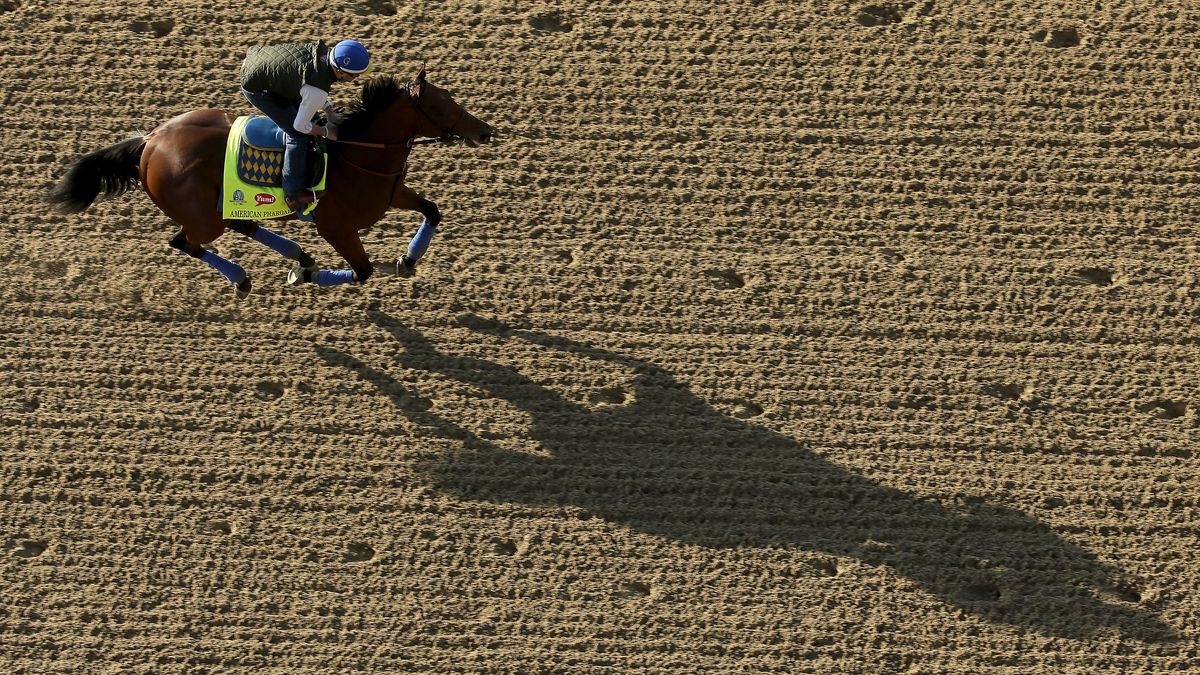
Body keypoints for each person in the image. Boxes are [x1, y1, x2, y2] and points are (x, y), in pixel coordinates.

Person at [239, 39, 371, 218]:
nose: (355, 79)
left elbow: (308, 85)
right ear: (339, 71)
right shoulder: (317, 90)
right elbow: (300, 124)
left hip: (258, 61)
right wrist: (325, 132)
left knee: (309, 117)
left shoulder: (322, 54)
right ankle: (293, 194)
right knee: (297, 135)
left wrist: (329, 111)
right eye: (354, 75)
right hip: (255, 87)